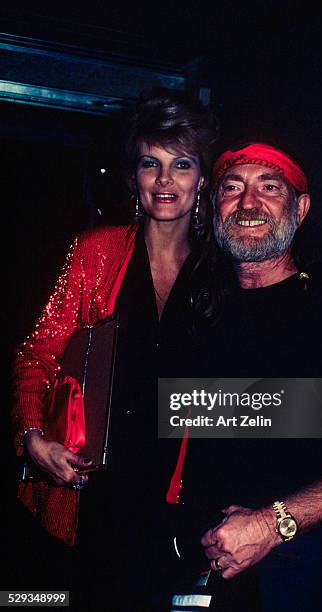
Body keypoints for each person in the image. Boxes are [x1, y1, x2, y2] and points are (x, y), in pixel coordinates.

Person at [11, 89, 218, 611]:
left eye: (182, 164)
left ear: (203, 180)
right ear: (135, 176)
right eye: (152, 163)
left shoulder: (220, 273)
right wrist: (33, 437)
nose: (165, 180)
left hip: (181, 490)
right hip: (100, 485)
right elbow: (36, 353)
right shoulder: (96, 252)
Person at [184, 142, 322, 610]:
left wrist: (270, 524)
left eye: (269, 187)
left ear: (300, 208)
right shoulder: (200, 308)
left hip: (296, 562)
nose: (248, 203)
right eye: (232, 188)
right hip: (200, 559)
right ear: (214, 206)